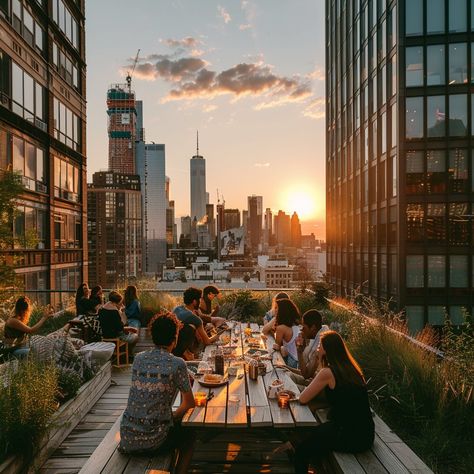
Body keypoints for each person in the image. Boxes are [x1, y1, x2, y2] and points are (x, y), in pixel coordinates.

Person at [119, 312, 195, 474]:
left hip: (127, 437)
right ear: (175, 337)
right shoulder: (177, 363)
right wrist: (173, 417)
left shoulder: (138, 359)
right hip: (154, 441)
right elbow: (189, 403)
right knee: (189, 436)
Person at [292, 331, 375, 473]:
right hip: (366, 433)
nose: (317, 349)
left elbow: (303, 398)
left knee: (301, 450)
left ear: (327, 350)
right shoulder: (351, 369)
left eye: (320, 346)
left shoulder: (328, 372)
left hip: (348, 434)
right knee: (313, 436)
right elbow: (343, 400)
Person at [284, 309, 330, 390]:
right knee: (286, 375)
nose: (301, 330)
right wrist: (285, 367)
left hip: (322, 388)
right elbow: (305, 370)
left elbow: (306, 374)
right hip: (314, 380)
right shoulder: (319, 334)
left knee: (286, 386)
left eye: (304, 327)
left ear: (313, 328)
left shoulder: (320, 345)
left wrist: (299, 351)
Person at [173, 287, 218, 357]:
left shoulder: (177, 309)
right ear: (194, 302)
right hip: (184, 354)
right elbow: (207, 342)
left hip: (172, 348)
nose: (201, 302)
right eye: (200, 299)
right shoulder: (195, 319)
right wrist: (218, 336)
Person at [272, 298, 301, 368]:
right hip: (299, 362)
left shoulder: (281, 328)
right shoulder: (296, 325)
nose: (274, 310)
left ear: (282, 311)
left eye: (276, 308)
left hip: (292, 363)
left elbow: (276, 347)